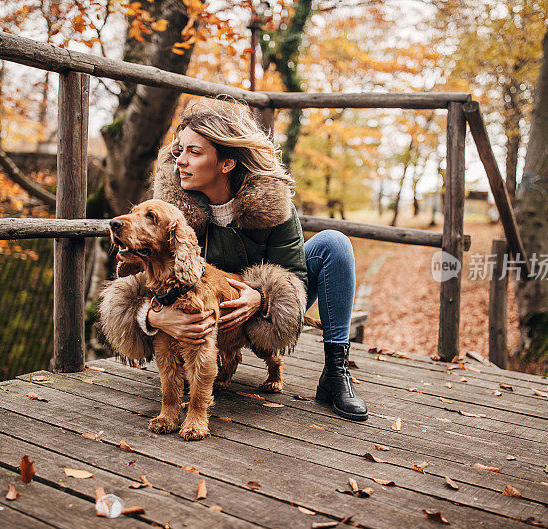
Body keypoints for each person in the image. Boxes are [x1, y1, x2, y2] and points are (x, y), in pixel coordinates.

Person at [100, 101, 368, 421]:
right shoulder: (167, 210)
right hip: (195, 310)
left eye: (194, 153)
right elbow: (131, 285)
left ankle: (335, 373)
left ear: (226, 163)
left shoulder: (272, 205)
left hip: (257, 315)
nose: (180, 162)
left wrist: (263, 297)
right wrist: (153, 317)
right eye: (180, 150)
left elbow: (294, 274)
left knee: (333, 244)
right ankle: (195, 362)